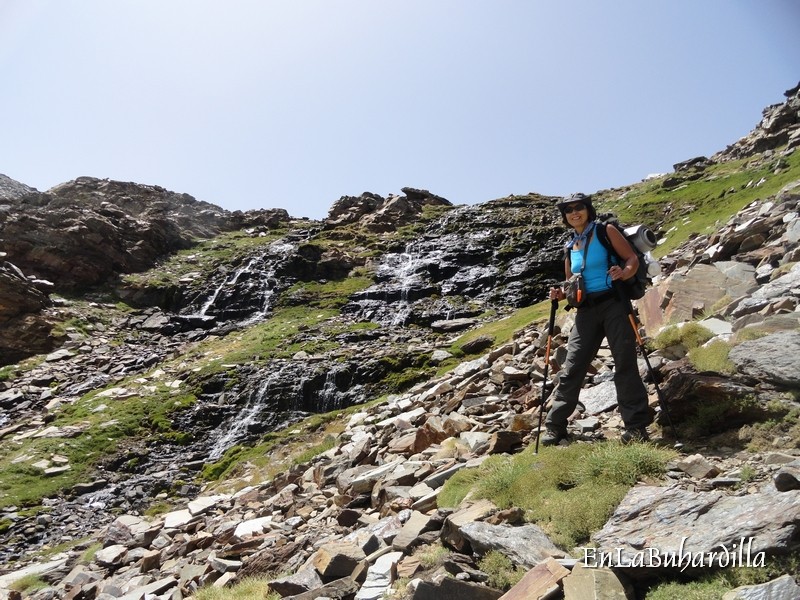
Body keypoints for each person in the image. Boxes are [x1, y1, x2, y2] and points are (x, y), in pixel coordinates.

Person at [542, 193, 652, 445]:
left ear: (588, 209)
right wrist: (560, 292)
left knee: (624, 364)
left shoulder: (606, 231)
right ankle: (555, 426)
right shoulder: (571, 245)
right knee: (572, 368)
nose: (573, 212)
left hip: (614, 302)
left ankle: (636, 427)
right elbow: (571, 281)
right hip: (586, 311)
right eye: (568, 210)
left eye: (578, 207)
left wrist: (624, 273)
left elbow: (631, 259)